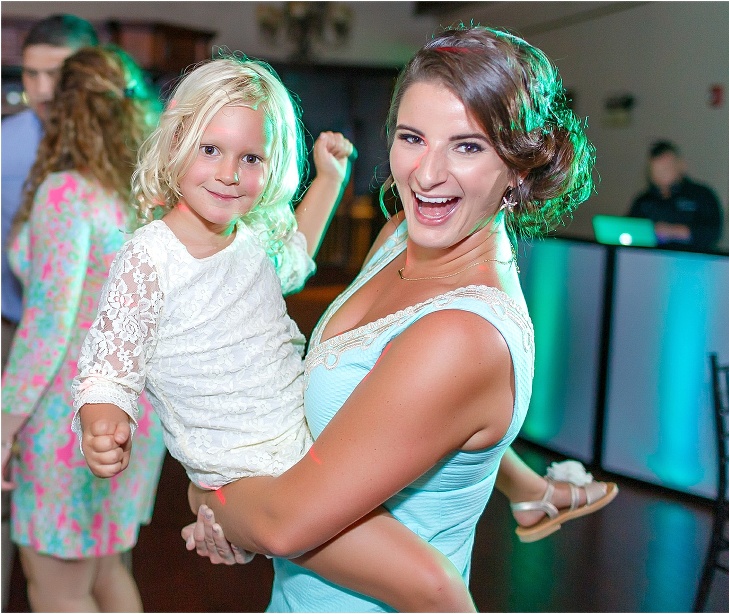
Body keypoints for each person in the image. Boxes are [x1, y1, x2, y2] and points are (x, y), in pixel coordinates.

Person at [182, 25, 613, 612]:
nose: (427, 174)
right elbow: (396, 422)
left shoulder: (462, 334)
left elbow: (284, 524)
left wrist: (207, 492)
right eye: (413, 138)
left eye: (467, 146)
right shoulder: (397, 237)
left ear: (518, 167)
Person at [70, 56, 477, 612]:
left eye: (251, 158)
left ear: (272, 165)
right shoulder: (150, 256)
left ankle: (529, 490)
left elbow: (297, 256)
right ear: (175, 144)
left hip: (307, 448)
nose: (229, 173)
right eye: (210, 149)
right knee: (436, 589)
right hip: (249, 472)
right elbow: (108, 365)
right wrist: (102, 420)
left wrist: (329, 179)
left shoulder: (249, 240)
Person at [0, 46, 168, 612]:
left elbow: (48, 326)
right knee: (105, 575)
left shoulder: (68, 193)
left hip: (66, 420)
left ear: (67, 112)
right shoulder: (146, 198)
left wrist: (3, 427)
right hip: (131, 413)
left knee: (57, 592)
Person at [1, 19, 96, 606]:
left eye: (54, 75)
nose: (40, 89)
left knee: (85, 552)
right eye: (29, 74)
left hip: (81, 361)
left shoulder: (111, 155)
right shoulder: (7, 143)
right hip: (12, 332)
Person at [628, 140, 723, 249]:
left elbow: (712, 232)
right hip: (650, 256)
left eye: (667, 167)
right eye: (657, 169)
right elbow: (629, 231)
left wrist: (672, 231)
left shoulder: (702, 195)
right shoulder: (643, 201)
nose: (662, 173)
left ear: (681, 165)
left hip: (691, 257)